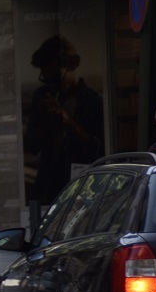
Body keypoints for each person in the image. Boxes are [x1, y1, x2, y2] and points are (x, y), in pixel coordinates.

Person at [22, 35, 104, 206]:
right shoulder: (41, 96)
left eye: (56, 79)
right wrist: (43, 120)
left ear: (72, 66)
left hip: (80, 181)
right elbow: (31, 146)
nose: (52, 85)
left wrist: (70, 124)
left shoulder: (92, 100)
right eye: (46, 80)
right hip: (48, 183)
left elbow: (98, 148)